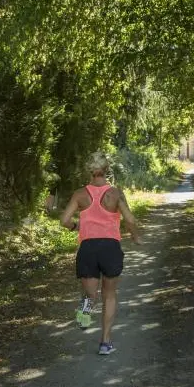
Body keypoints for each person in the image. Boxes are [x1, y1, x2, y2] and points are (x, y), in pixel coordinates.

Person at [59, 152, 142, 355]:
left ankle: (85, 311)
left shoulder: (80, 194)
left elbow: (64, 220)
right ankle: (105, 343)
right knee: (110, 295)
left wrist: (76, 227)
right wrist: (135, 236)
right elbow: (130, 220)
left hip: (88, 248)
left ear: (90, 170)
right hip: (110, 248)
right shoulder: (115, 194)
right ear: (106, 170)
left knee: (90, 293)